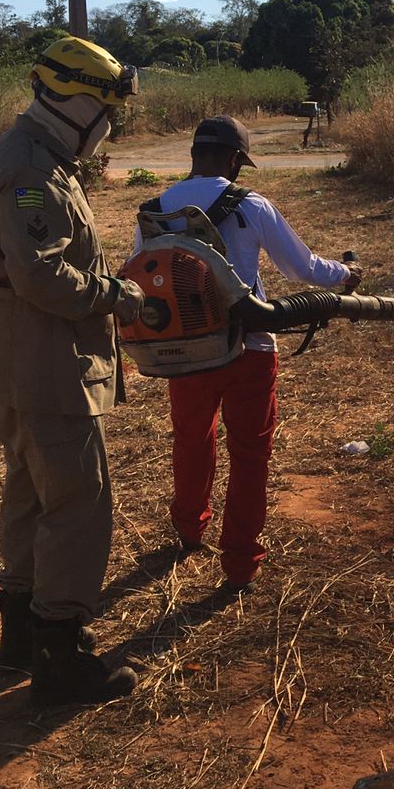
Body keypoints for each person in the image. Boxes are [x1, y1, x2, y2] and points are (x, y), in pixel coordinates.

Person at [0, 35, 146, 705]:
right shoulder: (31, 172)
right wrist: (121, 297)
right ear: (74, 102)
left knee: (31, 486)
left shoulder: (35, 154)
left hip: (15, 344)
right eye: (105, 109)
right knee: (77, 498)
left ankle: (22, 630)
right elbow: (43, 277)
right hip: (41, 349)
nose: (108, 125)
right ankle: (58, 654)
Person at [140, 115, 358, 588]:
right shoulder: (250, 205)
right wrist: (345, 274)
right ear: (236, 159)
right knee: (250, 454)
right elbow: (303, 269)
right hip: (249, 349)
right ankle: (239, 561)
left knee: (191, 441)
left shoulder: (155, 209)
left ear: (194, 155)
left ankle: (188, 527)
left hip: (184, 353)